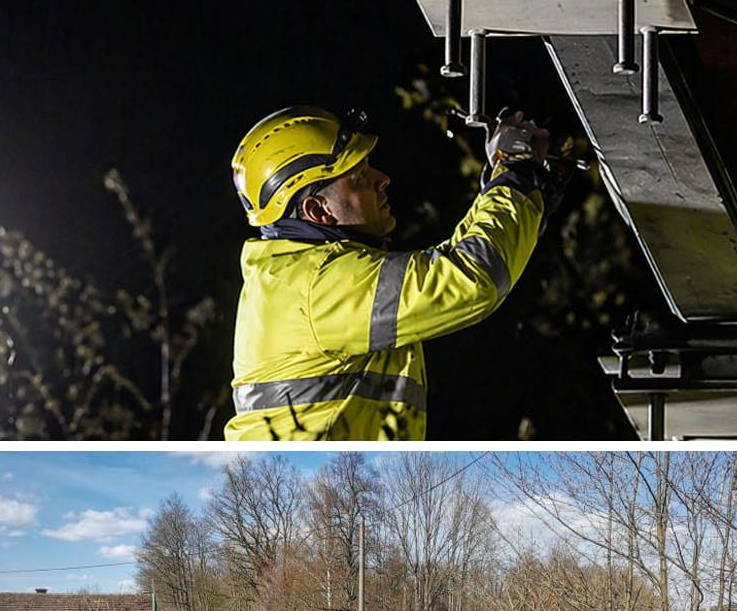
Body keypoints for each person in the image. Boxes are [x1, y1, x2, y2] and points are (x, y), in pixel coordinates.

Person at [225, 105, 559, 440]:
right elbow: (470, 277)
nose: (382, 179)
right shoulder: (317, 284)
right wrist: (516, 173)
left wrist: (512, 183)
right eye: (358, 176)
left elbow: (449, 260)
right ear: (317, 210)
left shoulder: (292, 277)